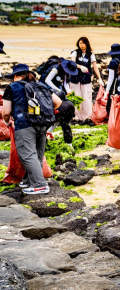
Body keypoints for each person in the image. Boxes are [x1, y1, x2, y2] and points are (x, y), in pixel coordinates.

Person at [2, 64, 62, 195]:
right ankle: (29, 181)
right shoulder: (40, 85)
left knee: (27, 155)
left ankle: (40, 185)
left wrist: (7, 122)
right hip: (42, 124)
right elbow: (58, 102)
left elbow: (6, 112)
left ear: (16, 76)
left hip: (24, 125)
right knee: (37, 155)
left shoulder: (12, 87)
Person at [68, 37, 103, 120]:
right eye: (80, 43)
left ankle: (88, 116)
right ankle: (77, 116)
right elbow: (72, 63)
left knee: (87, 97)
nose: (82, 45)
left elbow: (95, 67)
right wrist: (80, 66)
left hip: (86, 79)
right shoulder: (75, 53)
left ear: (87, 44)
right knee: (76, 97)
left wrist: (100, 78)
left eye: (83, 43)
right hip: (75, 78)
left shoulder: (91, 55)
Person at [103, 43, 120, 116]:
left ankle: (113, 120)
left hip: (115, 85)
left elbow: (111, 77)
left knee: (111, 104)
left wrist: (107, 90)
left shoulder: (113, 62)